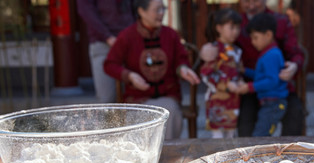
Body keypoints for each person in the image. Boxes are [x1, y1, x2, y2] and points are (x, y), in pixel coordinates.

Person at [200, 0, 305, 137]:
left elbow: (296, 53)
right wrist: (205, 51)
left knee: (295, 113)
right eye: (246, 1)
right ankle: (251, 156)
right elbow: (222, 45)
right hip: (246, 87)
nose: (251, 6)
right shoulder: (236, 22)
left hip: (276, 89)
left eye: (255, 1)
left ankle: (290, 155)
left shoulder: (281, 21)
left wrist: (294, 66)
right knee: (246, 123)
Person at [103, 0, 200, 139]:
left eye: (163, 9)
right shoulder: (127, 36)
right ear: (141, 11)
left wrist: (183, 69)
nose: (162, 13)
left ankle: (167, 155)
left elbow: (181, 58)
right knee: (141, 117)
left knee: (169, 111)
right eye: (157, 10)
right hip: (138, 99)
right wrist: (129, 76)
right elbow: (110, 64)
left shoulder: (171, 34)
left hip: (167, 97)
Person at [228, 13, 288, 137]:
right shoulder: (268, 53)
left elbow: (272, 81)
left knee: (260, 135)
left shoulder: (272, 55)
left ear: (268, 35)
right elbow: (262, 76)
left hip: (273, 104)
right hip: (269, 103)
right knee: (262, 133)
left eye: (255, 38)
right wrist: (245, 71)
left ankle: (263, 155)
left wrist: (250, 87)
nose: (252, 42)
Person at [77, 0, 135, 103]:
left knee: (133, 97)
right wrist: (107, 36)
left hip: (130, 41)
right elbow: (86, 11)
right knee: (107, 100)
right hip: (102, 43)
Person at [200, 8, 244, 139]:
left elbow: (238, 70)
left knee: (231, 133)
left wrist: (240, 81)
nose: (235, 31)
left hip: (233, 97)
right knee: (217, 136)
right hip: (216, 98)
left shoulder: (237, 50)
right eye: (231, 27)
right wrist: (226, 84)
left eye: (237, 28)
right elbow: (206, 73)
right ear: (219, 28)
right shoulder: (213, 49)